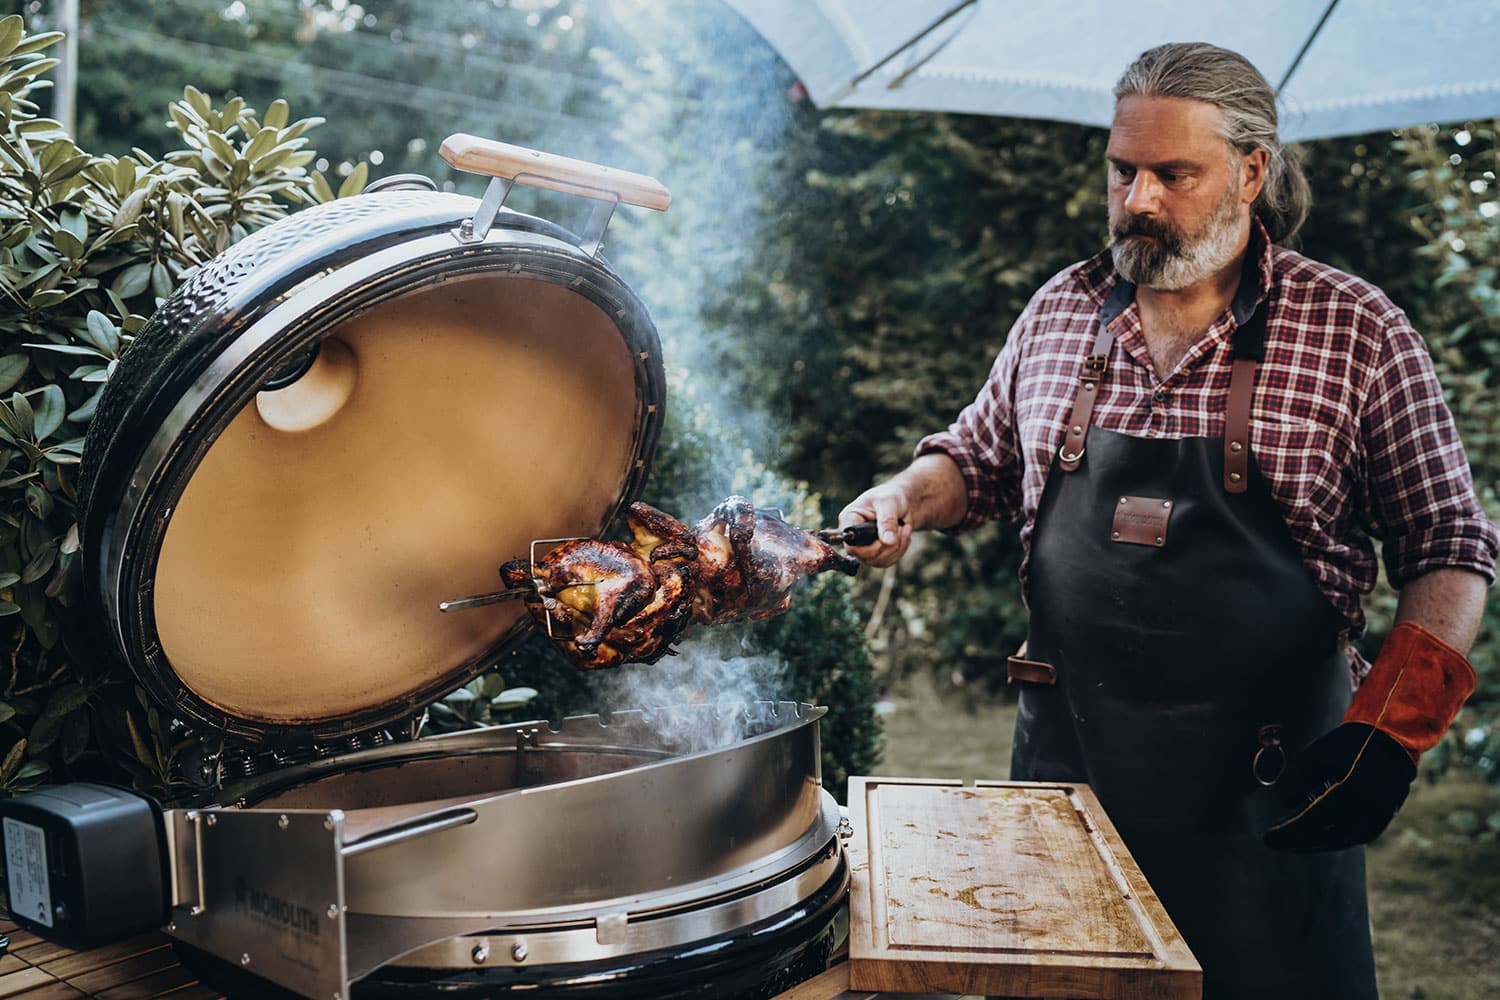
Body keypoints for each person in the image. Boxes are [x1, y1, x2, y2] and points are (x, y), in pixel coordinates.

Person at [839, 41, 1498, 999]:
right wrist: (902, 495)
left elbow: (1450, 544)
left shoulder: (1356, 330)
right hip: (1066, 788)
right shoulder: (1061, 311)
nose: (1138, 199)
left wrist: (1393, 731)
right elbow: (975, 459)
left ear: (1252, 172)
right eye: (1123, 170)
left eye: (1173, 174)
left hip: (1269, 801)